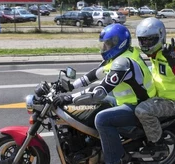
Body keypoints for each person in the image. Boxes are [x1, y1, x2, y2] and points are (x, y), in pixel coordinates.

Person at [53, 23, 156, 164]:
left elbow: (100, 91)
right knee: (95, 106)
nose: (104, 47)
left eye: (107, 44)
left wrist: (70, 98)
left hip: (138, 106)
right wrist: (71, 86)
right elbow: (93, 75)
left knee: (101, 119)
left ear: (118, 43)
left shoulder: (123, 63)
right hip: (126, 101)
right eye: (104, 44)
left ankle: (114, 159)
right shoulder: (118, 56)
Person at [134, 17, 175, 154]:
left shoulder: (174, 54)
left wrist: (174, 61)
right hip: (160, 98)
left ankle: (157, 144)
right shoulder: (155, 55)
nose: (145, 43)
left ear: (160, 36)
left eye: (150, 40)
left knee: (142, 111)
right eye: (142, 40)